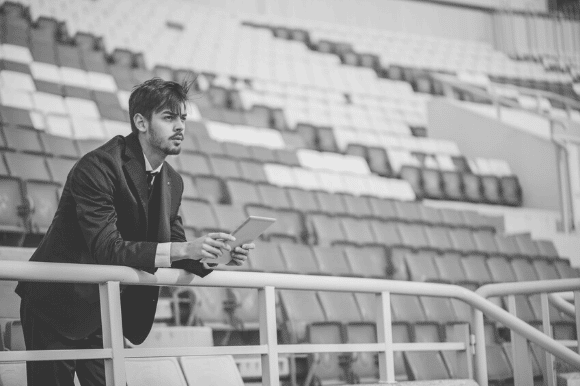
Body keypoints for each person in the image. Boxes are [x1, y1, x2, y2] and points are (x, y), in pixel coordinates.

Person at [15, 77, 255, 386]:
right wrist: (183, 249)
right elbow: (108, 248)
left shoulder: (172, 180)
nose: (180, 126)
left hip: (103, 311)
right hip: (56, 306)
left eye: (182, 118)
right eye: (169, 117)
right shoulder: (97, 166)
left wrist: (219, 255)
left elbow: (176, 246)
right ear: (140, 122)